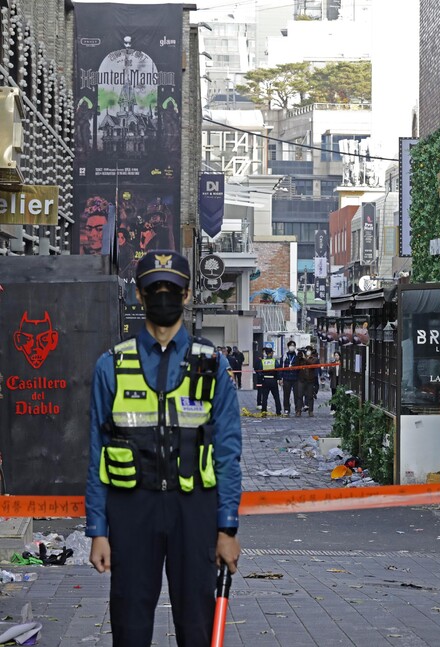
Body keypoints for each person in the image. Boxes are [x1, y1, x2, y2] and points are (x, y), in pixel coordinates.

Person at [85, 250, 242, 647]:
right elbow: (97, 453)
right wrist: (98, 531)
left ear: (187, 295)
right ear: (139, 294)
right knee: (129, 626)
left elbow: (227, 452)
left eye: (171, 290)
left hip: (195, 511)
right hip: (131, 509)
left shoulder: (212, 365)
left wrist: (227, 528)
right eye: (154, 289)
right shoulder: (111, 366)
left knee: (197, 627)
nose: (163, 297)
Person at [255, 344, 282, 415]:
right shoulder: (274, 361)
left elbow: (259, 371)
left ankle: (264, 411)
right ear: (271, 353)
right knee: (276, 397)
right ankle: (278, 411)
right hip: (273, 380)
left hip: (265, 380)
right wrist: (279, 379)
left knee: (264, 397)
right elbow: (278, 370)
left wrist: (262, 378)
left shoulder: (263, 361)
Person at [297, 347, 320, 417]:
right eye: (307, 350)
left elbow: (312, 364)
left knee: (310, 396)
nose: (307, 352)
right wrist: (299, 356)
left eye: (309, 350)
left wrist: (305, 358)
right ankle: (298, 410)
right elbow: (296, 365)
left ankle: (311, 411)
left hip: (310, 380)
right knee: (299, 396)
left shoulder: (314, 358)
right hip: (301, 379)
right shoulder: (301, 358)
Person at [280, 340, 300, 416]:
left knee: (297, 395)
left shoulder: (297, 355)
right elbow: (281, 367)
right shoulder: (284, 356)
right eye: (290, 346)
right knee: (286, 395)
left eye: (293, 346)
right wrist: (281, 378)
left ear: (295, 347)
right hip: (286, 378)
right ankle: (286, 409)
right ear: (288, 347)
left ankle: (297, 409)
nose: (292, 347)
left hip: (296, 378)